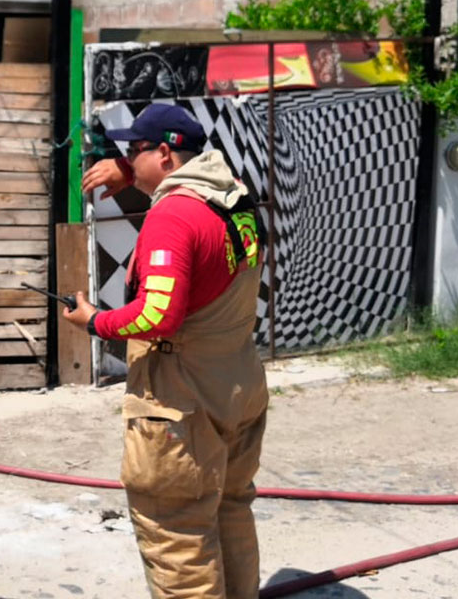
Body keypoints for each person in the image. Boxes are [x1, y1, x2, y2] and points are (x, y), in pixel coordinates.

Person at [63, 103, 268, 599]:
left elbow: (158, 316)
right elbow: (198, 251)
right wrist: (131, 177)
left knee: (177, 530)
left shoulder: (172, 216)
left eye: (134, 151)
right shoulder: (235, 198)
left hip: (183, 401)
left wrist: (94, 321)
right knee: (230, 510)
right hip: (237, 383)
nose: (125, 161)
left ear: (164, 154)